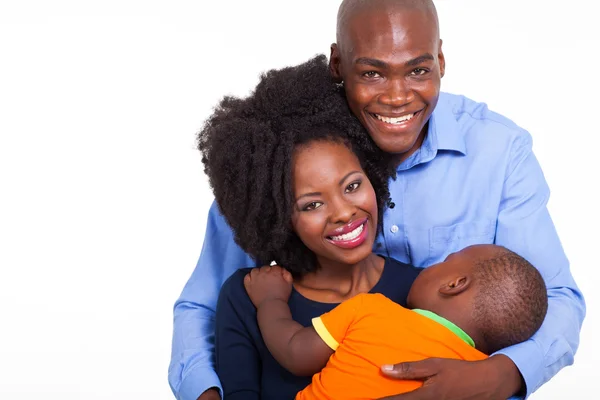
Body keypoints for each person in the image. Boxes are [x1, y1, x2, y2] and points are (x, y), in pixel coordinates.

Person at [168, 1, 585, 399]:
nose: (397, 96)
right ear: (338, 65)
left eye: (418, 69)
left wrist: (500, 375)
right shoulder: (280, 156)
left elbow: (552, 298)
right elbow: (206, 305)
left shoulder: (498, 150)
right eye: (372, 74)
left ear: (441, 61)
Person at [201, 54, 424, 399]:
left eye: (352, 186)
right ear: (277, 217)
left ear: (372, 176)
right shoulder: (248, 297)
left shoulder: (418, 292)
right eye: (312, 205)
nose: (343, 213)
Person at [244, 244, 548, 400]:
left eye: (444, 261)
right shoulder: (473, 382)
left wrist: (270, 299)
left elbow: (295, 353)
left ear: (453, 284)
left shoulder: (372, 309)